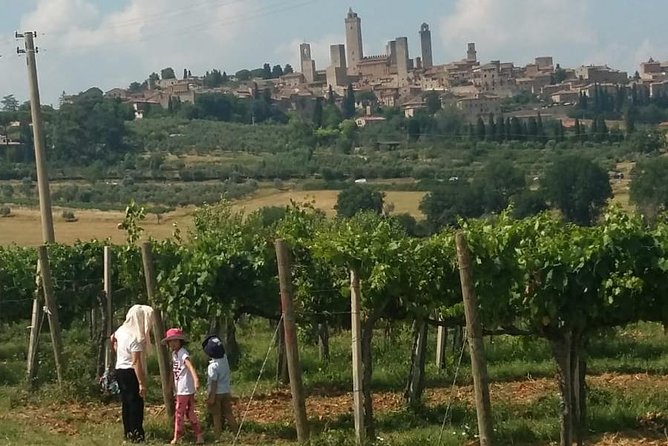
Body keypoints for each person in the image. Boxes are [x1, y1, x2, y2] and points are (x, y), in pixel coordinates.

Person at [110, 304, 155, 443]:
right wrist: (141, 383)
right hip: (130, 371)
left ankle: (128, 432)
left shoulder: (120, 331)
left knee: (126, 403)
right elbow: (136, 362)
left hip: (119, 370)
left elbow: (113, 338)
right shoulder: (135, 337)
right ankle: (137, 435)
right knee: (136, 403)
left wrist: (118, 351)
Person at [162, 328, 204, 445]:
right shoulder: (174, 354)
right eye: (171, 341)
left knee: (179, 412)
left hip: (184, 388)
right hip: (181, 387)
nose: (173, 343)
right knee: (190, 412)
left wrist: (196, 379)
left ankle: (177, 436)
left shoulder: (182, 353)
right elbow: (174, 370)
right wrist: (170, 383)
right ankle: (199, 435)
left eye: (176, 341)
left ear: (180, 342)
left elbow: (190, 366)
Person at [202, 334, 238, 440]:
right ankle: (236, 432)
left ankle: (218, 436)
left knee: (216, 416)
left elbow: (214, 383)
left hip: (216, 394)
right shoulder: (224, 359)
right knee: (228, 413)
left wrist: (211, 397)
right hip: (226, 391)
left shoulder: (212, 367)